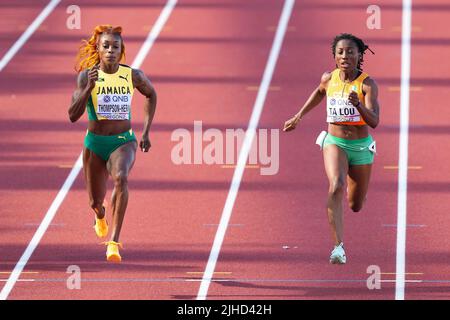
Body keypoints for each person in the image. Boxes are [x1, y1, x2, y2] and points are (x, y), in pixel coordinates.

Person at [283, 33, 379, 264]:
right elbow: (319, 92)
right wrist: (298, 116)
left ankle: (353, 190)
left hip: (361, 146)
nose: (345, 55)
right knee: (336, 184)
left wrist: (358, 105)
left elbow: (374, 120)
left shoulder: (367, 84)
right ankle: (338, 247)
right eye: (340, 52)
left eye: (350, 51)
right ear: (335, 56)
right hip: (335, 142)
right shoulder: (328, 79)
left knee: (355, 204)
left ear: (359, 55)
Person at [68, 25, 157, 262]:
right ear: (98, 49)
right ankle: (100, 215)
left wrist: (146, 132)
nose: (110, 50)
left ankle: (114, 242)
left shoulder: (132, 75)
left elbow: (151, 94)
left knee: (121, 177)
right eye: (105, 46)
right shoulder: (86, 76)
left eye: (115, 47)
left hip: (123, 141)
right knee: (95, 201)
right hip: (95, 144)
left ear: (121, 50)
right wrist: (89, 88)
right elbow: (72, 115)